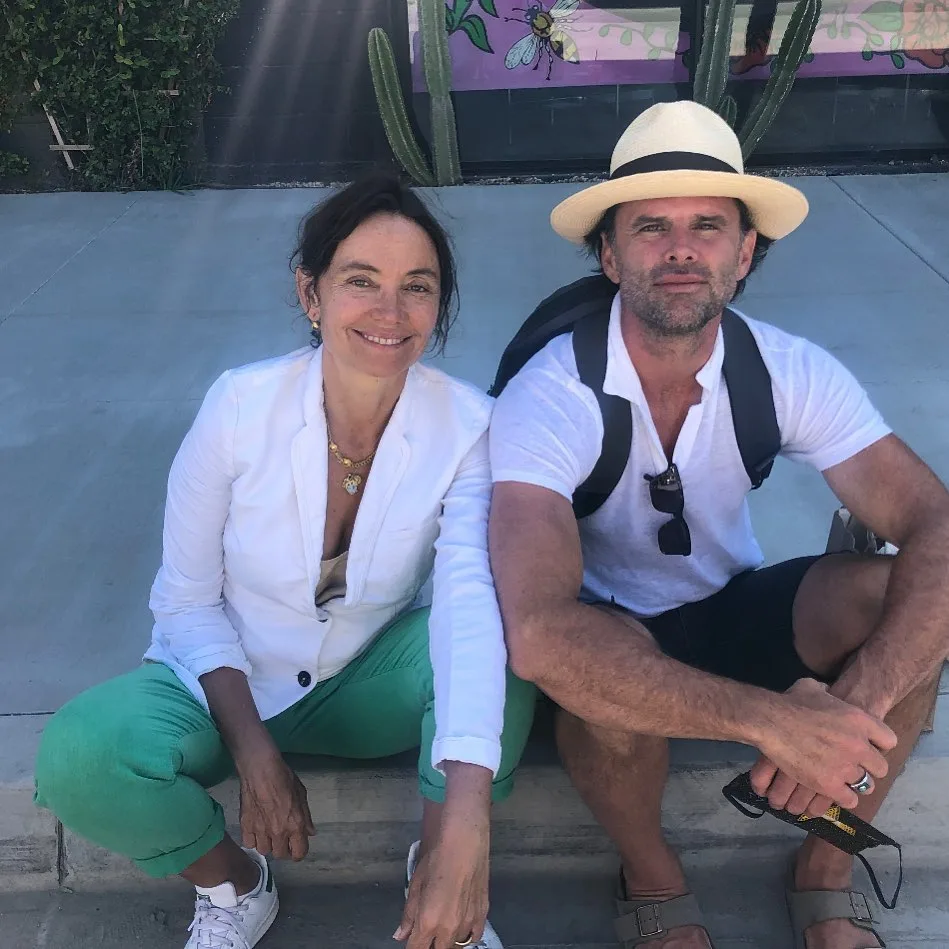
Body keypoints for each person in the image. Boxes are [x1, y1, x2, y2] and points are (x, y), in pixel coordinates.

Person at [487, 101, 949, 949]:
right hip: (611, 624)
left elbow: (934, 521)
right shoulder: (550, 394)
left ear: (742, 253)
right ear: (609, 253)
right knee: (596, 679)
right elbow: (540, 635)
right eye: (650, 226)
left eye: (707, 225)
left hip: (732, 604)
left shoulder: (785, 369)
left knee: (907, 601)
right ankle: (653, 880)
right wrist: (776, 723)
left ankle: (825, 866)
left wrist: (855, 707)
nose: (679, 249)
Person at [34, 175, 536, 949]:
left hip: (364, 677)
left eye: (416, 286)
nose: (390, 310)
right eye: (360, 281)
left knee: (503, 652)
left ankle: (440, 881)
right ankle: (235, 886)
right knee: (81, 754)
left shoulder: (469, 426)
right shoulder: (240, 407)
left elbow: (468, 598)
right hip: (225, 681)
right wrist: (253, 751)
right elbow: (186, 599)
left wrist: (468, 827)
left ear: (438, 307)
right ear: (311, 293)